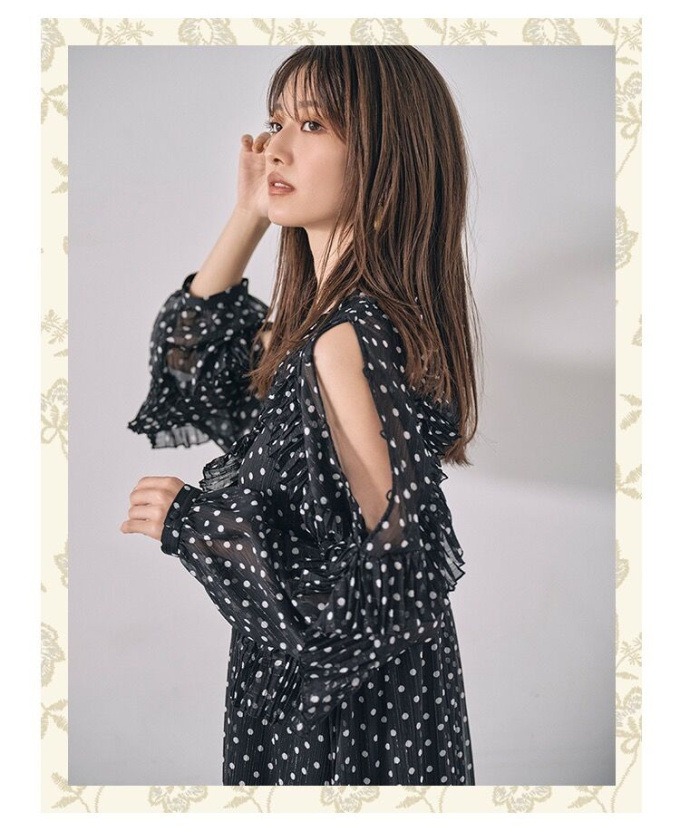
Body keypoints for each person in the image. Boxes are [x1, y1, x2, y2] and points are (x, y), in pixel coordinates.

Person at [122, 45, 481, 787]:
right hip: (327, 700)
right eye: (276, 119)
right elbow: (190, 367)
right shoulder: (324, 332)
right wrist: (249, 212)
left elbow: (393, 588)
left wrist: (195, 524)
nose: (275, 146)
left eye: (312, 124)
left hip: (342, 720)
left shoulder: (345, 341)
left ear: (385, 155)